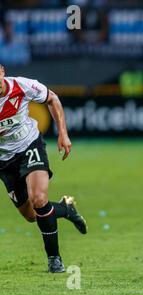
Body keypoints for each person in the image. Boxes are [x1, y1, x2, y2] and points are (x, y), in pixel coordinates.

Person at [0, 64, 87, 273]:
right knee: (31, 215)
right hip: (4, 161)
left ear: (2, 72)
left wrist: (62, 133)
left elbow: (52, 98)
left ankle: (54, 259)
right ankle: (66, 209)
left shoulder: (21, 85)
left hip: (29, 145)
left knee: (39, 199)